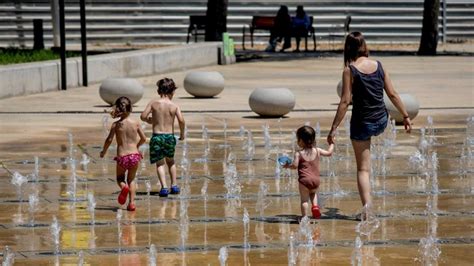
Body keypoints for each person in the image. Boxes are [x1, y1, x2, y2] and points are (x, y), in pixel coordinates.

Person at [327, 32, 412, 211]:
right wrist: (405, 116)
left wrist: (333, 128)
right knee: (377, 123)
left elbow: (344, 101)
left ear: (348, 48)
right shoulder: (379, 66)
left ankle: (367, 208)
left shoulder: (350, 70)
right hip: (381, 120)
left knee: (363, 169)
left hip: (362, 124)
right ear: (364, 46)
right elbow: (392, 94)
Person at [100, 96, 146, 211]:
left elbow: (109, 140)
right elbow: (144, 138)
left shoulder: (116, 125)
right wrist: (137, 146)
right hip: (135, 156)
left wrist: (103, 151)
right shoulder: (136, 123)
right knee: (132, 179)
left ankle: (123, 187)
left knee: (120, 178)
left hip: (122, 157)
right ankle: (131, 203)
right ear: (130, 108)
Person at [141, 78, 185, 197]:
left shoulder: (153, 103)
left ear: (158, 91)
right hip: (169, 137)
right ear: (173, 92)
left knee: (160, 163)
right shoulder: (174, 106)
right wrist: (182, 134)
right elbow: (181, 120)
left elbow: (143, 116)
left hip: (157, 137)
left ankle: (164, 188)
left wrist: (150, 121)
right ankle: (174, 185)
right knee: (170, 161)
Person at [284, 125, 334, 219]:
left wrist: (287, 166)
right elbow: (329, 153)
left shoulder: (299, 154)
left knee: (304, 200)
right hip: (316, 180)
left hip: (304, 181)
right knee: (313, 193)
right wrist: (332, 144)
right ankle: (315, 207)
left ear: (301, 141)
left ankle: (304, 217)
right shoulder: (317, 150)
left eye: (298, 139)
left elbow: (294, 166)